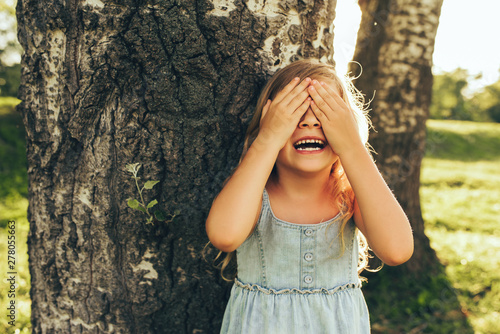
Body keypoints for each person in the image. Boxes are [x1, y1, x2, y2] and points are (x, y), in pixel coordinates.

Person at [205, 59, 414, 333]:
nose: (311, 121)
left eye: (325, 112)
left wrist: (352, 147)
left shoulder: (351, 197)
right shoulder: (253, 194)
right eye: (294, 113)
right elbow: (224, 235)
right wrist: (267, 139)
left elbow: (397, 250)